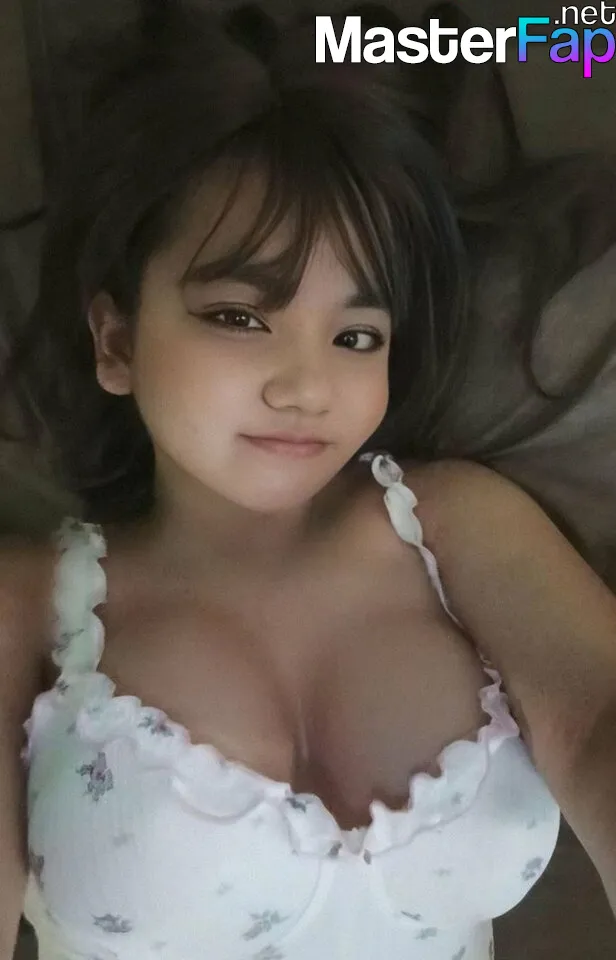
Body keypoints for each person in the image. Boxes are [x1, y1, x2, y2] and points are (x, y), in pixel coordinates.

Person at [0, 7, 614, 960]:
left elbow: (596, 724)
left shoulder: (458, 524)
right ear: (116, 341)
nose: (307, 387)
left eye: (356, 335)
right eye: (240, 317)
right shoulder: (25, 603)